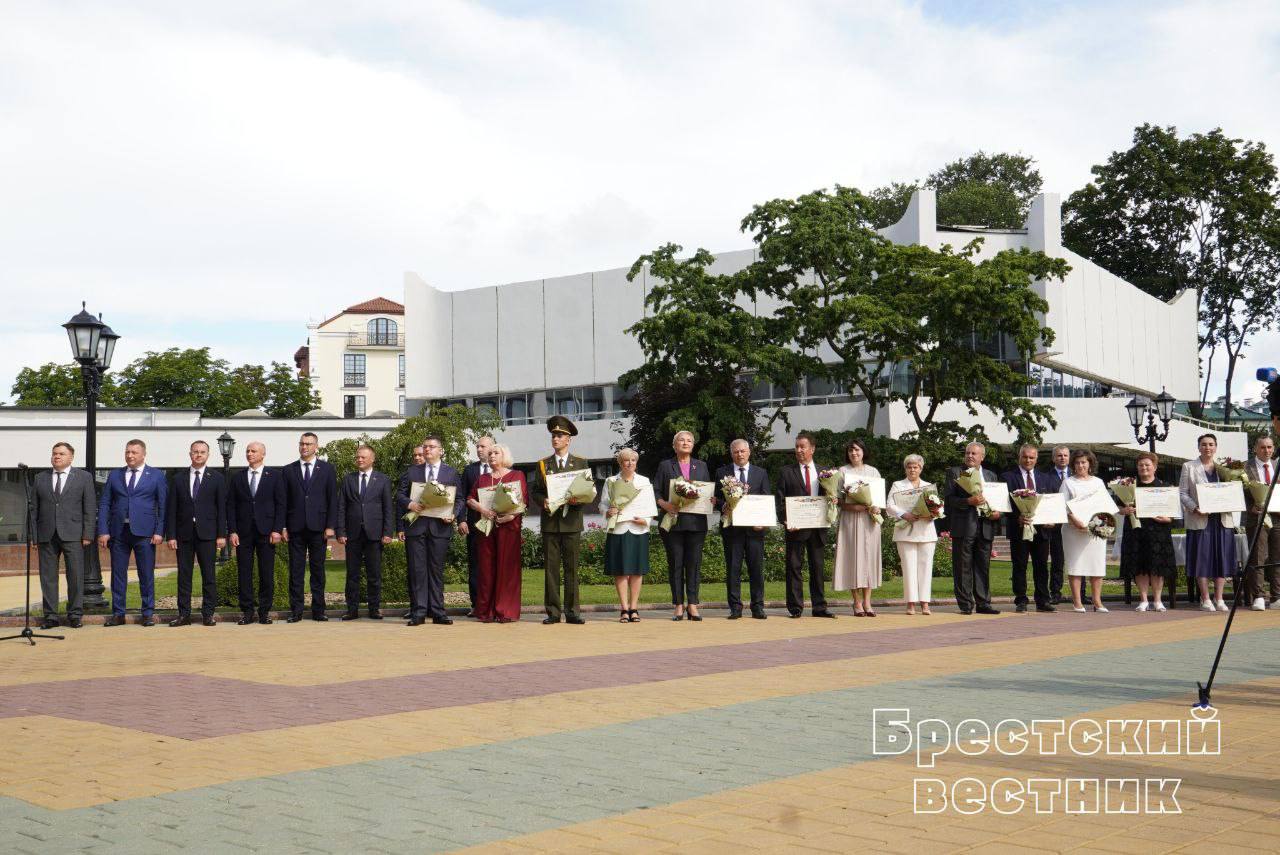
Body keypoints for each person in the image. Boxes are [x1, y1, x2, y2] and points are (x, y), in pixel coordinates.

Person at [97, 439, 167, 626]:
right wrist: (103, 530)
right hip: (118, 532)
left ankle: (147, 613)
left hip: (145, 533)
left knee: (146, 574)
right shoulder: (115, 475)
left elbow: (163, 505)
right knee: (118, 575)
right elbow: (105, 503)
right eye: (127, 452)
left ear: (143, 454)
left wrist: (159, 531)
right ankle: (118, 614)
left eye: (134, 452)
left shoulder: (156, 475)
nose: (130, 455)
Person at [529, 416, 590, 625]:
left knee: (572, 568)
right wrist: (542, 501)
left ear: (569, 439)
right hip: (551, 523)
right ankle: (553, 612)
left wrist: (577, 499)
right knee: (551, 569)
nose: (556, 438)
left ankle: (572, 612)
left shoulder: (580, 462)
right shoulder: (543, 464)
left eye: (560, 435)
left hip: (572, 522)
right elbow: (535, 491)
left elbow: (587, 492)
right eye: (554, 435)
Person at [398, 435, 464, 626]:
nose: (427, 450)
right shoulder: (412, 472)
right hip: (416, 528)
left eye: (432, 447)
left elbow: (459, 499)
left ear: (440, 450)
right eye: (425, 447)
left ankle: (438, 612)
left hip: (440, 528)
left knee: (436, 570)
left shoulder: (451, 473)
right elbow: (400, 495)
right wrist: (410, 503)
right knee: (417, 571)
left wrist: (453, 514)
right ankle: (418, 613)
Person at [165, 440, 227, 627]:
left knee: (209, 576)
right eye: (195, 452)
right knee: (184, 576)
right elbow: (172, 509)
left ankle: (208, 614)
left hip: (207, 534)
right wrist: (172, 535)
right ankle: (184, 615)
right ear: (190, 454)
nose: (198, 455)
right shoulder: (178, 478)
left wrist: (221, 534)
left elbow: (221, 508)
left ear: (208, 455)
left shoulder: (216, 478)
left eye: (202, 452)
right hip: (184, 535)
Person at [776, 432, 837, 619]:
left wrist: (833, 501)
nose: (799, 450)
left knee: (817, 567)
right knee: (794, 567)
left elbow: (831, 497)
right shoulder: (786, 472)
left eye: (802, 446)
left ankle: (819, 607)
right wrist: (785, 520)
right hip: (795, 528)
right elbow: (780, 500)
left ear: (812, 449)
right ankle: (795, 608)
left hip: (818, 528)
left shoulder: (825, 472)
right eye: (796, 447)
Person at [34, 442, 94, 629]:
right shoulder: (40, 478)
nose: (57, 456)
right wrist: (33, 536)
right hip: (46, 534)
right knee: (48, 577)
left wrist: (87, 534)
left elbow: (89, 508)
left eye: (61, 454)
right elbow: (33, 509)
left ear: (71, 457)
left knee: (75, 576)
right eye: (54, 453)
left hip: (74, 534)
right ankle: (51, 616)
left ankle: (75, 615)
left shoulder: (84, 477)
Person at [654, 430, 712, 621]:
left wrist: (711, 499)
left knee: (694, 564)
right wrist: (665, 504)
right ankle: (678, 605)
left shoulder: (702, 466)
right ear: (674, 445)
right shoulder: (665, 466)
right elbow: (655, 493)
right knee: (676, 563)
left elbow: (707, 492)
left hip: (696, 523)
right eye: (681, 440)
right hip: (673, 523)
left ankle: (693, 605)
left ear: (693, 445)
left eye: (689, 440)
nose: (685, 443)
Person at [227, 441, 285, 625]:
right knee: (244, 572)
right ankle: (247, 611)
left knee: (266, 572)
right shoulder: (238, 477)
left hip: (266, 532)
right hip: (243, 532)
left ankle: (264, 611)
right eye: (247, 451)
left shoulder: (275, 476)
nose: (249, 454)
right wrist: (233, 530)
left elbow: (281, 504)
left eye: (253, 451)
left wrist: (277, 529)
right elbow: (231, 506)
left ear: (263, 454)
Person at [281, 432, 338, 622]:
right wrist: (283, 527)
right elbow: (283, 501)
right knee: (296, 571)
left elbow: (332, 499)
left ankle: (318, 610)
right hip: (295, 527)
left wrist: (330, 525)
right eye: (301, 444)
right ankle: (295, 611)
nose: (304, 447)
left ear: (316, 447)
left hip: (318, 527)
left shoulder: (327, 469)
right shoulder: (288, 470)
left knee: (317, 570)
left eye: (308, 444)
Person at [713, 439, 771, 620]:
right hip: (732, 530)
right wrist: (724, 506)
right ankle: (735, 607)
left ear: (749, 452)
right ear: (732, 454)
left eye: (743, 451)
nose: (740, 454)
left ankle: (758, 607)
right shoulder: (722, 473)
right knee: (733, 569)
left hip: (755, 530)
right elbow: (716, 499)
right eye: (736, 452)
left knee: (756, 569)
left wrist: (763, 521)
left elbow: (766, 499)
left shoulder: (761, 473)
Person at [468, 443, 526, 623]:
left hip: (508, 528)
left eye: (496, 453)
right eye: (490, 453)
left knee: (507, 569)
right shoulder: (483, 479)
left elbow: (523, 501)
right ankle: (486, 611)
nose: (492, 455)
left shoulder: (517, 475)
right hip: (487, 528)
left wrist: (510, 516)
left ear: (504, 456)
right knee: (486, 569)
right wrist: (481, 509)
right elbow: (470, 499)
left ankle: (505, 611)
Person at [335, 445, 394, 620]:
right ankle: (351, 609)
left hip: (374, 534)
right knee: (352, 574)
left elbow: (388, 508)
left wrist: (387, 532)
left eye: (363, 457)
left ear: (372, 459)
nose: (359, 460)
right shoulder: (348, 479)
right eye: (357, 457)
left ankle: (374, 608)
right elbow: (341, 507)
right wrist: (341, 531)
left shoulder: (383, 480)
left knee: (374, 574)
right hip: (352, 534)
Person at [1180, 433, 1237, 612]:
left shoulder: (1225, 469)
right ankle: (1205, 599)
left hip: (1222, 521)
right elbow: (1182, 493)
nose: (1207, 447)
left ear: (1216, 447)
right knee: (1201, 560)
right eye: (1204, 444)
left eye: (1211, 444)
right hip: (1200, 519)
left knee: (1222, 559)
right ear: (1198, 447)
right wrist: (1195, 508)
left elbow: (1233, 492)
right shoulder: (1188, 467)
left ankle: (1219, 598)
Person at [944, 441, 1002, 615]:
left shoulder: (991, 475)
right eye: (967, 453)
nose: (970, 456)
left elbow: (999, 501)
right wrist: (968, 501)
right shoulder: (955, 472)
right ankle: (966, 604)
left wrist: (998, 514)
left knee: (983, 566)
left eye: (974, 454)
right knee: (963, 566)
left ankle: (984, 603)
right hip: (964, 525)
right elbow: (949, 501)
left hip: (985, 526)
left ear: (982, 457)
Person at [1115, 451, 1176, 612]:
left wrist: (1168, 519)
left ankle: (1157, 600)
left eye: (1147, 465)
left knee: (1157, 566)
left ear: (1154, 467)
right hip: (1136, 531)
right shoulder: (1127, 486)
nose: (1144, 468)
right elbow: (1117, 507)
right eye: (1141, 465)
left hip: (1158, 531)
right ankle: (1143, 600)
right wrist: (1125, 510)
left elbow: (1174, 512)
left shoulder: (1164, 487)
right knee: (1139, 565)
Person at [1001, 443, 1055, 613]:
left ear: (1036, 459)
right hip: (1018, 529)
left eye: (1032, 457)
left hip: (1041, 530)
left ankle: (1042, 600)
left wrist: (1051, 519)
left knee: (1041, 566)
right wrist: (1016, 517)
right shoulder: (1007, 477)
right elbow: (1004, 505)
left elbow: (1051, 502)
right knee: (1019, 566)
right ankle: (1021, 600)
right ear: (1019, 457)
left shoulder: (1045, 478)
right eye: (1025, 457)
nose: (1028, 460)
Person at [833, 438, 882, 617]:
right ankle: (856, 601)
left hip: (869, 520)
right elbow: (837, 499)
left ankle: (868, 601)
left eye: (857, 450)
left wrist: (876, 506)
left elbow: (878, 497)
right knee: (853, 558)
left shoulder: (873, 471)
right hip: (850, 520)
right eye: (850, 451)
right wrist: (854, 507)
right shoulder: (842, 472)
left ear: (863, 451)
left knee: (869, 558)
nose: (854, 453)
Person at [603, 448, 652, 623]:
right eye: (626, 460)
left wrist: (645, 520)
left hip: (638, 529)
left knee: (637, 571)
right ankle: (624, 609)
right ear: (620, 463)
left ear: (636, 462)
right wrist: (608, 512)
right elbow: (602, 505)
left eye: (633, 460)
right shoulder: (610, 481)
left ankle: (634, 608)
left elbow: (651, 506)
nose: (630, 463)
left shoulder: (644, 482)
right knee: (621, 571)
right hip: (618, 529)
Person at [887, 454, 938, 616]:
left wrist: (933, 513)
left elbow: (938, 506)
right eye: (909, 466)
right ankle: (910, 603)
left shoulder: (928, 486)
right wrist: (904, 514)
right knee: (909, 567)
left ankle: (925, 603)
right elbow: (889, 505)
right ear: (905, 468)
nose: (912, 469)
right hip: (905, 532)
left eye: (915, 467)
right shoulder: (898, 485)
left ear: (921, 468)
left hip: (926, 532)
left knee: (926, 567)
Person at [1061, 449, 1109, 612]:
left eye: (1084, 462)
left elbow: (1105, 505)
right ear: (1073, 465)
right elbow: (1063, 505)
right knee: (1076, 565)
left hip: (1096, 530)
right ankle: (1077, 602)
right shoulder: (1068, 482)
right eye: (1077, 462)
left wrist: (1097, 524)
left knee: (1097, 565)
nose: (1080, 465)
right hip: (1074, 530)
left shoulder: (1098, 482)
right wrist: (1076, 521)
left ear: (1090, 464)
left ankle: (1097, 601)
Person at [458, 435, 495, 617]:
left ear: (492, 447)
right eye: (477, 446)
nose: (479, 449)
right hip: (474, 525)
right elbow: (462, 496)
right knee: (475, 565)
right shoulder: (469, 470)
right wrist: (461, 520)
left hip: (497, 525)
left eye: (483, 446)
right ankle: (476, 605)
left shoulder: (503, 469)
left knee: (494, 565)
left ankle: (495, 603)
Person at [1244, 435, 1280, 610]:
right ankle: (1258, 595)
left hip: (1278, 516)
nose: (1267, 450)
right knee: (1257, 556)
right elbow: (1238, 492)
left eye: (1270, 447)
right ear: (1255, 449)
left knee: (1277, 557)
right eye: (1263, 447)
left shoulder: (1278, 466)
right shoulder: (1245, 467)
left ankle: (1276, 596)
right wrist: (1250, 506)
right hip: (1256, 517)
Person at [1045, 445, 1072, 604]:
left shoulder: (1077, 476)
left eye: (1065, 455)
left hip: (1075, 525)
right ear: (1054, 458)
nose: (1062, 458)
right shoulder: (1046, 477)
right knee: (1057, 561)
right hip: (1056, 526)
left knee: (1076, 560)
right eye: (1059, 455)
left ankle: (1081, 594)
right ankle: (1055, 593)